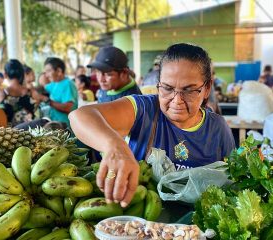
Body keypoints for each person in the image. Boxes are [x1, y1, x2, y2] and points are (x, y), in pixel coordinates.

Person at [69, 43, 235, 207]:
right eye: (167, 88)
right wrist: (115, 146)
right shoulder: (143, 109)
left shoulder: (218, 129)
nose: (177, 100)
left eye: (189, 90)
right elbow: (80, 116)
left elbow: (231, 183)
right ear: (158, 85)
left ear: (206, 89)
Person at [0, 59, 36, 126]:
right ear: (22, 73)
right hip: (31, 131)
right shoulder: (30, 91)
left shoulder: (2, 93)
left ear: (5, 74)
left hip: (10, 134)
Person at [41, 57, 78, 126]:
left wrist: (46, 100)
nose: (46, 75)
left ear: (59, 71)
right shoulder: (54, 83)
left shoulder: (68, 84)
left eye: (48, 71)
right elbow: (43, 86)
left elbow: (67, 108)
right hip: (56, 126)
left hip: (66, 129)